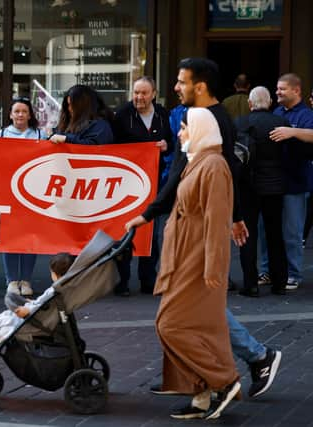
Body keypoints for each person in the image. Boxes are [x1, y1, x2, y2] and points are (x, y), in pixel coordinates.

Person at [125, 58, 281, 400]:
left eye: (182, 81)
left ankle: (254, 356)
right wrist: (153, 213)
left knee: (195, 307)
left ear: (200, 85)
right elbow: (184, 172)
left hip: (196, 230)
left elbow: (222, 175)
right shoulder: (196, 117)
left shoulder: (212, 123)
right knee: (184, 306)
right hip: (185, 226)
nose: (176, 87)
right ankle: (185, 377)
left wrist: (232, 217)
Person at [154, 107, 240, 420]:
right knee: (195, 327)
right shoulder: (200, 162)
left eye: (184, 129)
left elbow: (218, 221)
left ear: (200, 130)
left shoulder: (213, 166)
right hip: (184, 254)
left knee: (171, 323)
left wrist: (214, 267)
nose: (178, 134)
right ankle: (202, 394)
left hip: (197, 257)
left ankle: (224, 380)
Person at [112, 76, 172, 295]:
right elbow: (111, 146)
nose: (139, 97)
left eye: (144, 93)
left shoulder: (163, 115)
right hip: (126, 185)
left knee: (151, 233)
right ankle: (122, 281)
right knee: (124, 231)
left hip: (154, 184)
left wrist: (167, 144)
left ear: (154, 94)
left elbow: (175, 141)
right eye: (136, 92)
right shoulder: (122, 115)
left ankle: (148, 279)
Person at [0, 253, 76, 356]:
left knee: (8, 320)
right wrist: (32, 304)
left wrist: (28, 309)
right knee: (7, 316)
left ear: (55, 274)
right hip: (40, 312)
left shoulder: (55, 290)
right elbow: (45, 303)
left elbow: (43, 304)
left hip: (36, 318)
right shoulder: (64, 289)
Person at [235, 86, 289, 297]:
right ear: (269, 103)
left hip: (248, 186)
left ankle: (251, 284)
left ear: (250, 103)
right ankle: (280, 282)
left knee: (247, 234)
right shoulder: (280, 123)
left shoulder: (240, 122)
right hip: (274, 186)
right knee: (275, 234)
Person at [0, 97, 48, 296]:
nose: (20, 115)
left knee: (30, 236)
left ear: (30, 114)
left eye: (24, 111)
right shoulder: (2, 134)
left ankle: (26, 279)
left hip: (33, 193)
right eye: (16, 111)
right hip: (8, 192)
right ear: (10, 114)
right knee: (10, 237)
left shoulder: (41, 134)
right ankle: (11, 280)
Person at [266, 73, 313, 290]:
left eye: (282, 89)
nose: (278, 92)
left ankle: (293, 273)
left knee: (293, 231)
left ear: (296, 91)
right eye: (277, 89)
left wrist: (292, 132)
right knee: (270, 230)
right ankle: (269, 270)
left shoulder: (305, 114)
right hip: (273, 181)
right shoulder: (276, 112)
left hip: (295, 181)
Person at [49, 84, 114, 145]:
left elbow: (94, 148)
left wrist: (67, 139)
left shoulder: (101, 126)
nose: (69, 109)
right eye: (68, 105)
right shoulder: (67, 122)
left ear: (84, 106)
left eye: (73, 105)